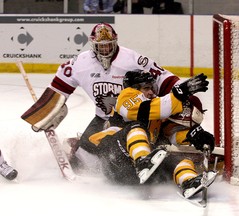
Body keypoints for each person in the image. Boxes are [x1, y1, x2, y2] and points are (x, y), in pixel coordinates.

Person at [21, 23, 181, 165]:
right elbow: (59, 86)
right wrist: (45, 110)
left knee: (136, 146)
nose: (105, 50)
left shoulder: (132, 59)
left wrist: (185, 93)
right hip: (103, 117)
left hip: (133, 116)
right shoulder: (80, 63)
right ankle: (79, 143)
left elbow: (161, 76)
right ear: (93, 45)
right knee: (83, 158)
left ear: (115, 42)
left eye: (109, 45)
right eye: (101, 46)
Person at [87, 70, 216, 198]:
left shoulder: (154, 114)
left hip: (135, 174)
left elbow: (170, 135)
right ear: (134, 88)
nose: (151, 92)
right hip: (114, 159)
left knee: (176, 159)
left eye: (152, 88)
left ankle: (189, 182)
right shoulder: (126, 97)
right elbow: (145, 109)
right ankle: (142, 160)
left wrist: (194, 136)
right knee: (135, 127)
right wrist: (178, 94)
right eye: (146, 88)